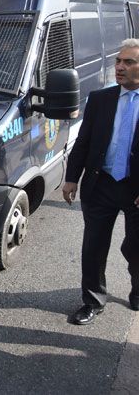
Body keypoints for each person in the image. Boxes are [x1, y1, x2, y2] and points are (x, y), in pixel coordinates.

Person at [62, 38, 139, 324]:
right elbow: (83, 141)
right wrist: (71, 178)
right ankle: (93, 300)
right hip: (102, 183)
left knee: (135, 247)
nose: (120, 67)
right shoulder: (101, 99)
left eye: (128, 62)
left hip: (135, 188)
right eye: (119, 61)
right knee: (93, 246)